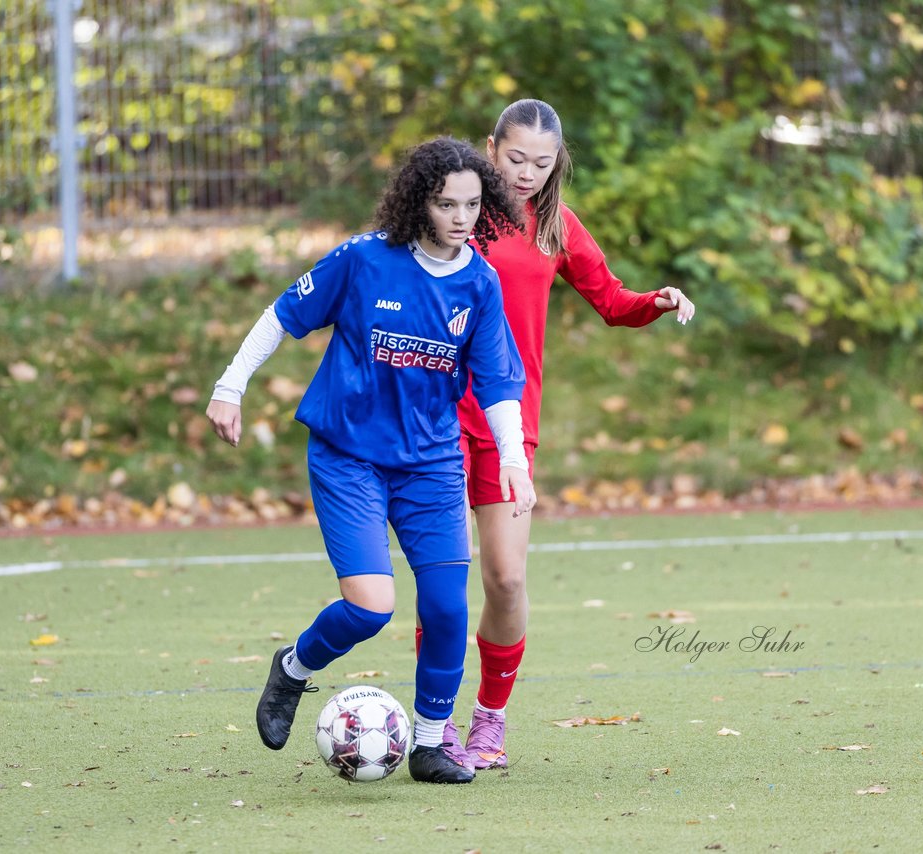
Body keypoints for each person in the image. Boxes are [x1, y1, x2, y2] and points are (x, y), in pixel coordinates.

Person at [206, 137, 537, 784]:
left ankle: (429, 744)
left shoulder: (480, 281)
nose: (462, 217)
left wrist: (512, 461)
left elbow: (499, 383)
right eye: (447, 204)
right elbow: (283, 314)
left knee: (446, 608)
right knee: (370, 607)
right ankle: (293, 669)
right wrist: (230, 385)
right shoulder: (365, 260)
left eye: (472, 204)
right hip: (349, 457)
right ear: (420, 202)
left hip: (432, 464)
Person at [426, 99, 697, 770]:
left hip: (508, 423)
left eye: (542, 164)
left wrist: (654, 303)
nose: (526, 174)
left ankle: (490, 719)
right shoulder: (452, 214)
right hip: (431, 417)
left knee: (507, 579)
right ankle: (436, 725)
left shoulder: (555, 227)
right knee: (443, 582)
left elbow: (613, 301)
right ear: (491, 149)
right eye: (515, 159)